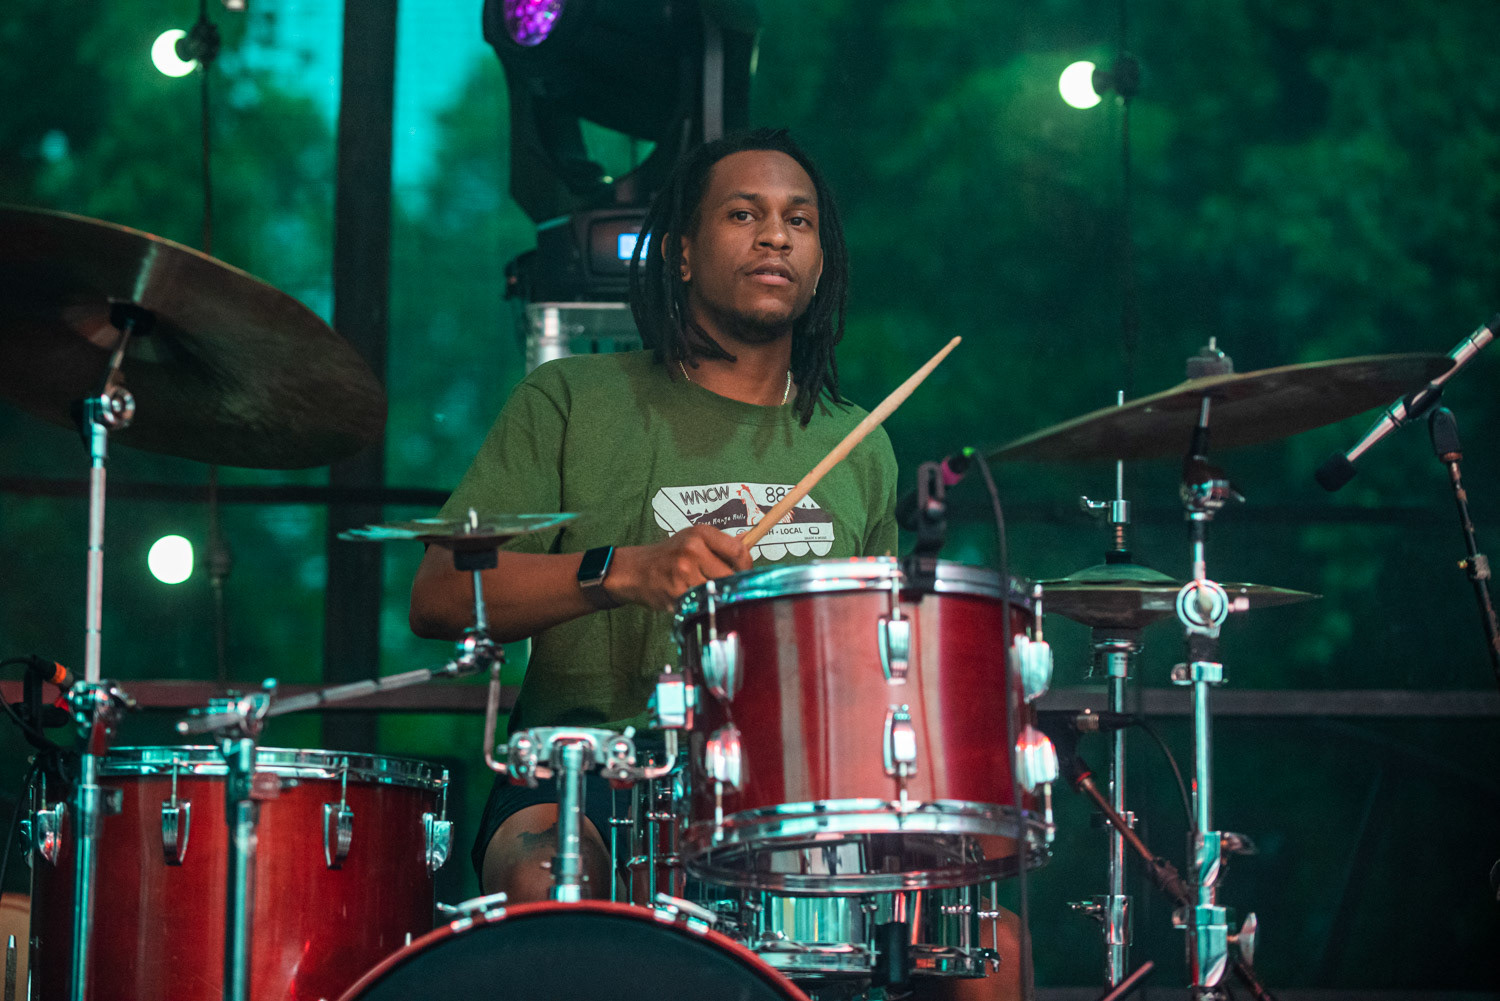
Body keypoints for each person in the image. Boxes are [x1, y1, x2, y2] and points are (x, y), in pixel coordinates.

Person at [409, 127, 1021, 1001]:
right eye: (743, 214)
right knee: (547, 884)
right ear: (683, 254)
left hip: (797, 795)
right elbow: (438, 594)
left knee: (993, 949)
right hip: (598, 776)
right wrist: (622, 571)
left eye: (798, 221)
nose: (775, 235)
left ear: (820, 264)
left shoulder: (858, 445)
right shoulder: (571, 399)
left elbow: (880, 670)